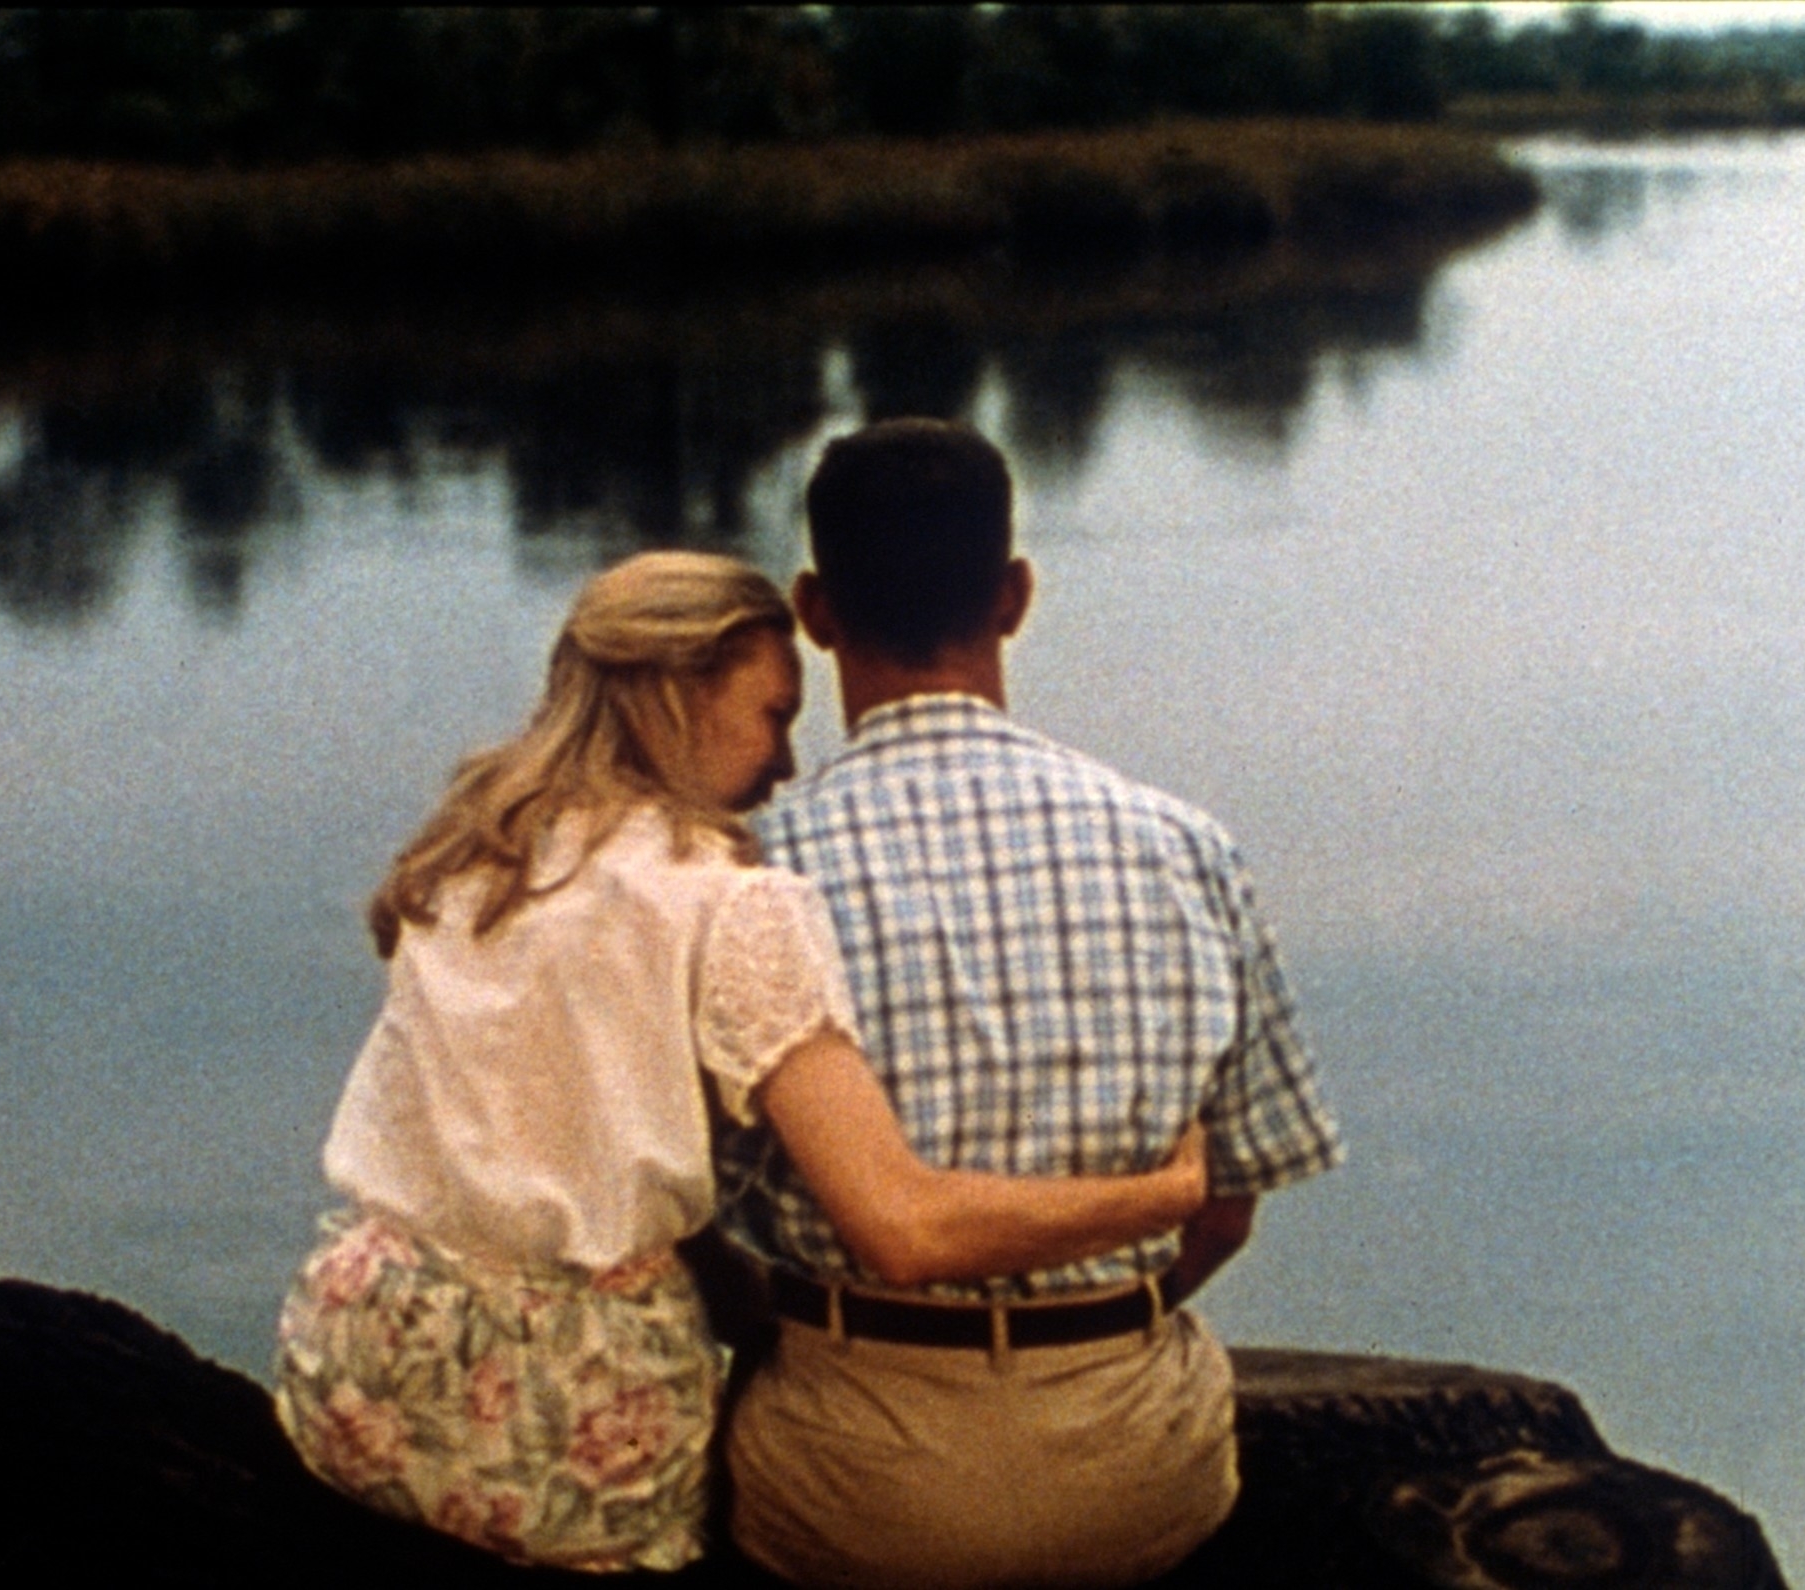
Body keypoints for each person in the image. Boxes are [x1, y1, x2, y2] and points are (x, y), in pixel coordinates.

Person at [272, 550, 1209, 1575]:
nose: (787, 767)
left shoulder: (472, 854)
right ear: (680, 693)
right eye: (772, 715)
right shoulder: (730, 900)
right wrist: (1158, 1195)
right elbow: (901, 1226)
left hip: (356, 1355)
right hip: (572, 1411)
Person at [719, 417, 1344, 1590]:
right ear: (1014, 596)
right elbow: (1224, 1213)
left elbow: (680, 1210)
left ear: (813, 611)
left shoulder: (740, 868)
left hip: (851, 1478)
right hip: (1134, 1469)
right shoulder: (1184, 845)